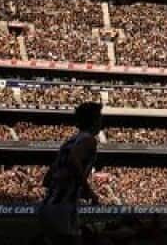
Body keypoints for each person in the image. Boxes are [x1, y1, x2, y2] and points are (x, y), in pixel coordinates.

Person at [33, 102, 102, 245]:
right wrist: (88, 190)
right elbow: (73, 159)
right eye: (99, 118)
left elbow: (48, 178)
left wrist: (68, 186)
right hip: (63, 207)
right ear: (94, 120)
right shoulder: (89, 140)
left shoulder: (70, 141)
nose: (101, 122)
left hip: (49, 204)